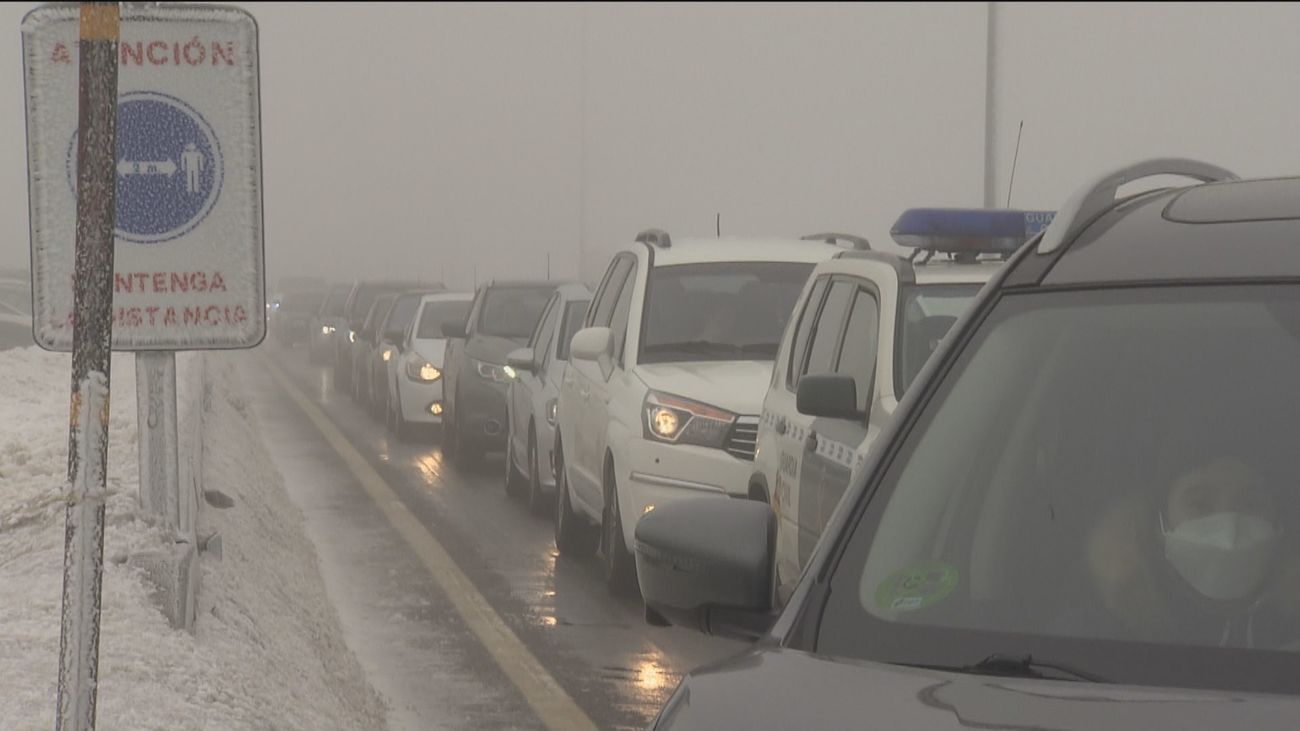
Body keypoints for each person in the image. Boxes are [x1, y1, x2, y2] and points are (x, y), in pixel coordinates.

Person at [1085, 456, 1300, 649]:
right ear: (1160, 523)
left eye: (1251, 504)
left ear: (1279, 524)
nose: (1228, 530)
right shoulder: (1099, 636)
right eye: (1200, 504)